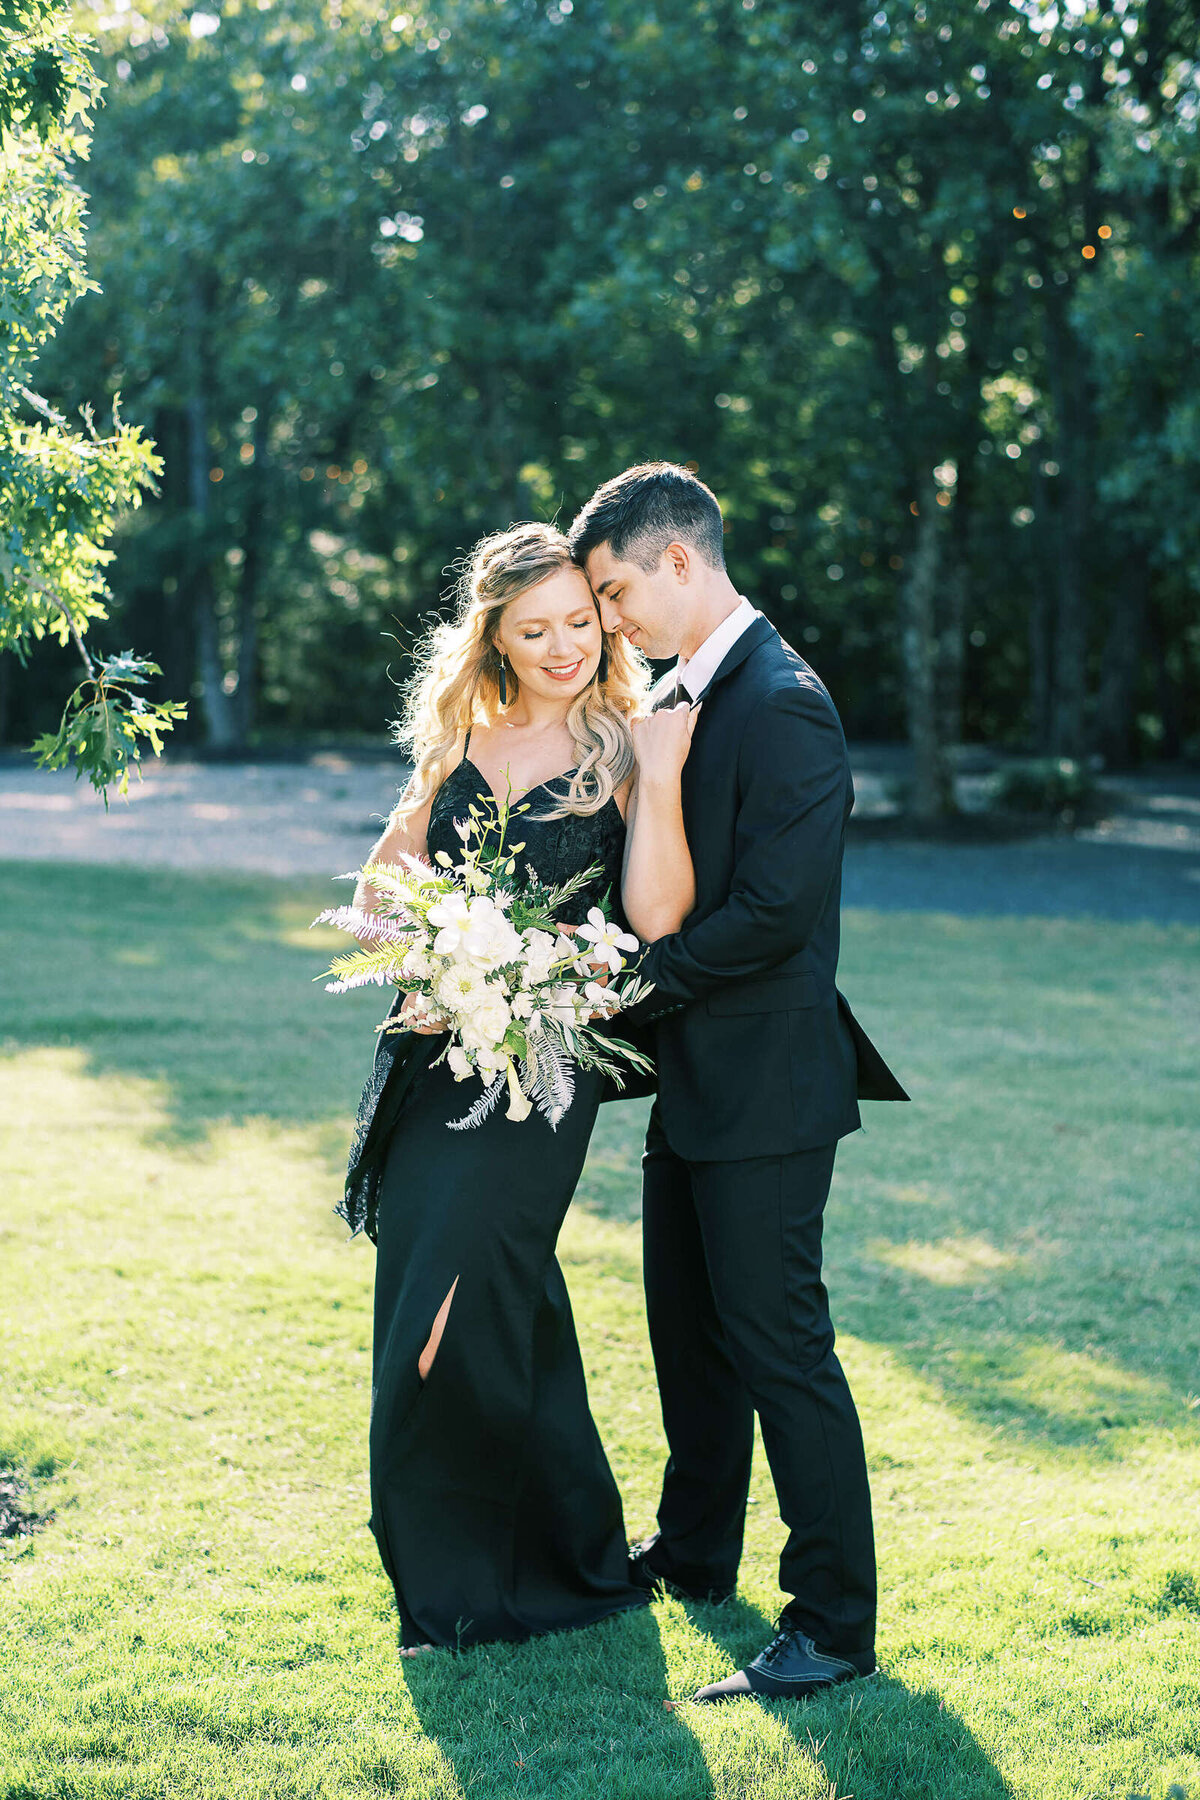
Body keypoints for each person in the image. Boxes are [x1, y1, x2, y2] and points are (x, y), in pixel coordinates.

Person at [569, 462, 909, 1703]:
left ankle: (832, 1622)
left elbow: (773, 915)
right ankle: (699, 1552)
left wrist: (637, 986)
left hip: (767, 1088)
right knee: (689, 1338)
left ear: (675, 560)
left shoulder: (784, 702)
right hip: (696, 1083)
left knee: (781, 1351)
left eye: (612, 593)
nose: (609, 621)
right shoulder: (679, 696)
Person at [339, 520, 697, 1654]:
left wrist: (664, 777)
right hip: (437, 1062)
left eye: (577, 625)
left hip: (546, 1070)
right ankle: (551, 1555)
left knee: (462, 1306)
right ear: (492, 637)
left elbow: (655, 919)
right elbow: (380, 886)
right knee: (472, 1308)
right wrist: (431, 951)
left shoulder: (625, 746)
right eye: (531, 630)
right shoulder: (459, 739)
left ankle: (490, 1570)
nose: (560, 648)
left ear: (604, 623)